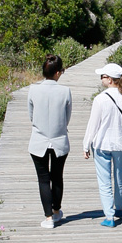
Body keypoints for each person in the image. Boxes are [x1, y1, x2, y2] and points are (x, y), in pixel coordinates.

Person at [83, 62, 122, 228]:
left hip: (102, 144)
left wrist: (86, 145)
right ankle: (120, 209)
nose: (101, 79)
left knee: (104, 181)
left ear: (110, 79)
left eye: (102, 76)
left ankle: (109, 217)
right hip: (121, 145)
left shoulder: (100, 99)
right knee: (120, 178)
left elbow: (93, 125)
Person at [27, 53, 72, 229]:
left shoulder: (33, 89)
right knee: (57, 177)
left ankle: (48, 218)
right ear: (58, 73)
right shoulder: (65, 91)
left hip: (38, 140)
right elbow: (67, 117)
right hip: (59, 140)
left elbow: (31, 116)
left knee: (43, 180)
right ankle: (56, 211)